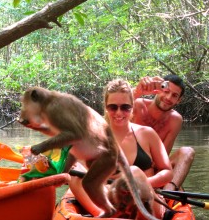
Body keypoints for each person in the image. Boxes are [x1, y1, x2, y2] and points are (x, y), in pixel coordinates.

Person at [69, 79, 173, 219]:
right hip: (110, 200)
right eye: (113, 107)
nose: (119, 113)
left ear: (132, 106)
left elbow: (167, 171)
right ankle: (102, 215)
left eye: (125, 107)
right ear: (106, 107)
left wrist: (141, 183)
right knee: (74, 170)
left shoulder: (147, 133)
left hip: (147, 202)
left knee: (134, 171)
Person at [132, 75, 195, 191]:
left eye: (174, 95)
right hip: (131, 163)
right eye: (166, 91)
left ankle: (168, 192)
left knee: (187, 151)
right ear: (158, 90)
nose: (168, 97)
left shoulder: (176, 120)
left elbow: (162, 157)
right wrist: (136, 92)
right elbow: (113, 113)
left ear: (178, 100)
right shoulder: (137, 104)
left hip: (156, 166)